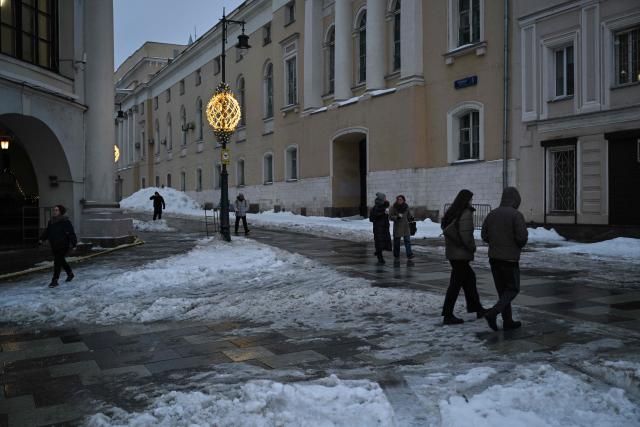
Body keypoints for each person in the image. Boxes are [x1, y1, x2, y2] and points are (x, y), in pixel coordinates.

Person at [481, 187, 528, 331]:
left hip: (494, 258)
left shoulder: (492, 214)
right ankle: (493, 313)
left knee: (503, 292)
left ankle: (508, 321)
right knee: (513, 289)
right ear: (516, 200)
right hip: (510, 260)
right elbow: (522, 238)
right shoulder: (516, 215)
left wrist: (496, 242)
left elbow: (484, 235)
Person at [440, 190, 486, 325]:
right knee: (455, 285)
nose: (472, 202)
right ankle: (448, 315)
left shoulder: (454, 212)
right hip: (460, 254)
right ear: (466, 200)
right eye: (471, 199)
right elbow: (466, 235)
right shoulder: (465, 213)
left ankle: (477, 308)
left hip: (454, 254)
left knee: (469, 279)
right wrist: (472, 247)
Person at [39, 204, 77, 288]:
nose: (54, 212)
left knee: (57, 261)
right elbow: (47, 232)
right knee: (61, 260)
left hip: (63, 245)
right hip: (54, 245)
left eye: (56, 210)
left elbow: (71, 233)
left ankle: (54, 280)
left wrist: (74, 244)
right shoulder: (51, 221)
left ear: (61, 211)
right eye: (54, 210)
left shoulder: (65, 221)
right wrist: (42, 239)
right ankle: (70, 274)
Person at [389, 195, 414, 260]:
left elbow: (409, 215)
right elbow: (390, 217)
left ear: (403, 200)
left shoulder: (406, 206)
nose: (399, 200)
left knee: (407, 241)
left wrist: (411, 218)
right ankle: (396, 255)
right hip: (398, 227)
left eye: (401, 199)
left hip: (406, 227)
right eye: (398, 199)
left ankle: (409, 254)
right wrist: (396, 217)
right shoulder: (394, 207)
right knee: (397, 242)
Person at [369, 192, 392, 264]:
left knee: (383, 243)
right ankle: (380, 258)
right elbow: (372, 218)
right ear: (381, 199)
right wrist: (382, 213)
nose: (386, 199)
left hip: (384, 228)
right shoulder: (375, 207)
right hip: (378, 228)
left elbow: (387, 217)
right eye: (384, 198)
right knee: (379, 243)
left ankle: (378, 252)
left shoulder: (385, 207)